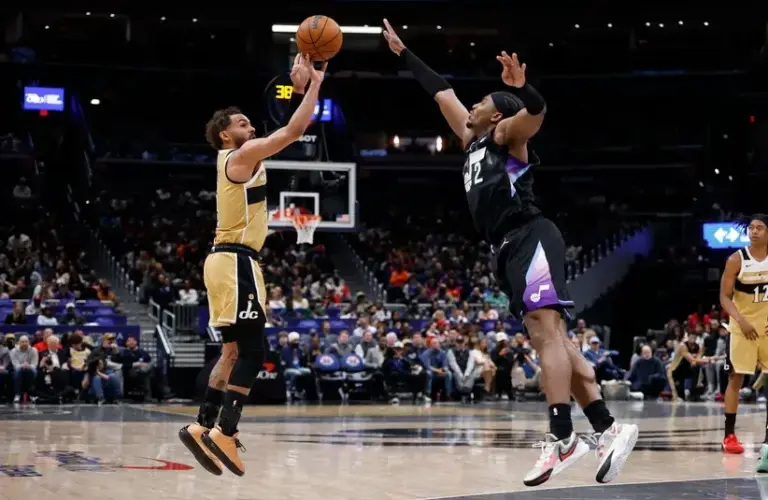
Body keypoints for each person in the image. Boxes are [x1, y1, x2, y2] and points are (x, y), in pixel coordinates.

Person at [382, 19, 638, 487]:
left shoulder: (505, 138)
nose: (473, 104)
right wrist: (403, 52)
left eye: (482, 102)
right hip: (504, 247)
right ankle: (607, 427)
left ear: (498, 116)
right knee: (555, 340)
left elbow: (535, 116)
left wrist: (524, 92)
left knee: (546, 334)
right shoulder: (470, 137)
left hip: (530, 235)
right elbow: (440, 92)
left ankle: (562, 436)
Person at [178, 53, 326, 478]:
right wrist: (314, 85)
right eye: (242, 123)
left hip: (225, 260)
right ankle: (226, 431)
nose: (250, 127)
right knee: (255, 351)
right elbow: (295, 130)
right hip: (236, 262)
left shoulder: (237, 162)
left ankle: (201, 425)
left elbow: (283, 131)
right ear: (225, 135)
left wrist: (297, 94)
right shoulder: (238, 158)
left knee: (231, 351)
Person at [718, 214, 768, 470]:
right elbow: (725, 298)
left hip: (767, 327)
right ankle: (729, 435)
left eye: (760, 228)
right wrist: (742, 321)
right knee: (736, 379)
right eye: (752, 228)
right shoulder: (737, 259)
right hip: (742, 327)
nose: (754, 231)